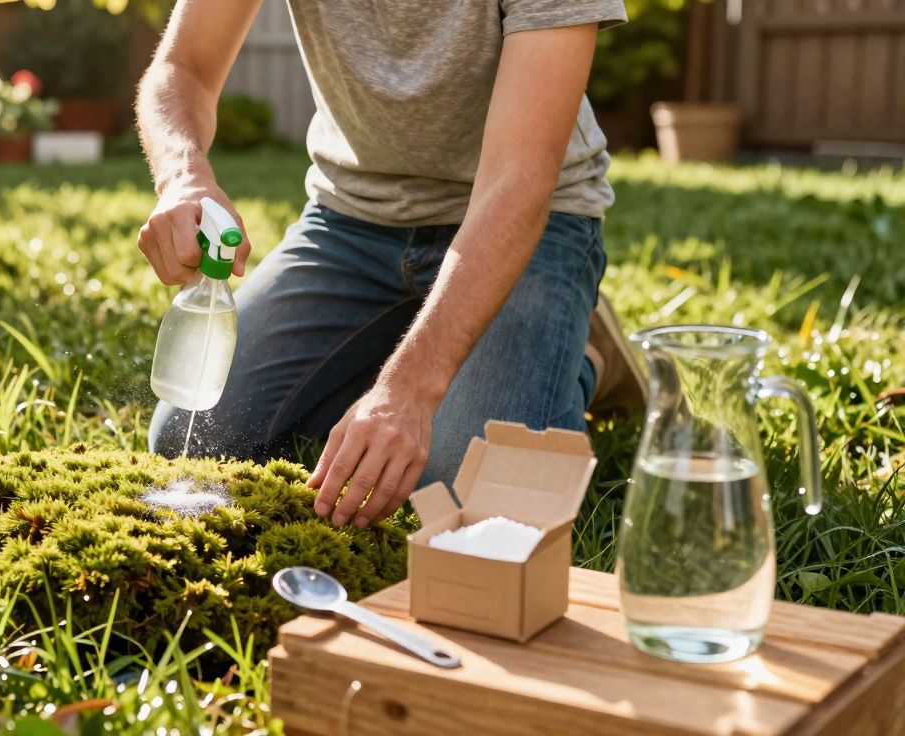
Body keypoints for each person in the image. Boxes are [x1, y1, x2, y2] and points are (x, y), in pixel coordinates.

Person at [136, 0, 639, 530]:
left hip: (527, 221)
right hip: (350, 222)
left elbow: (518, 182)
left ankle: (582, 354)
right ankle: (409, 336)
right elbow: (183, 66)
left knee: (457, 498)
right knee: (188, 437)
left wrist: (412, 390)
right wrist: (183, 176)